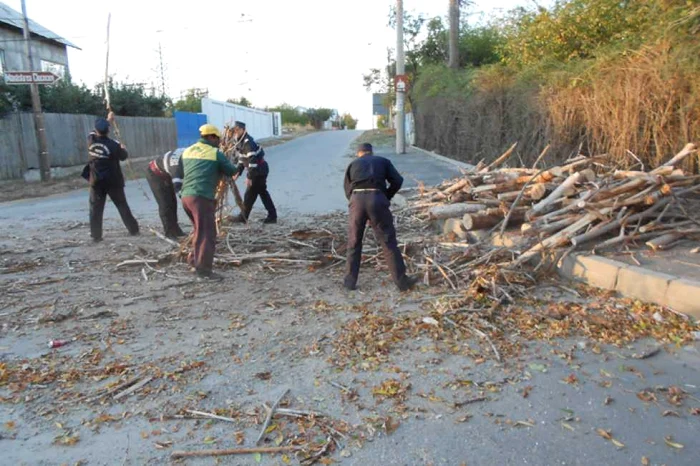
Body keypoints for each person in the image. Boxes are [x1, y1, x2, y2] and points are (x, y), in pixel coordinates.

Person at [343, 143, 417, 291]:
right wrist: (386, 196)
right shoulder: (383, 161)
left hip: (357, 200)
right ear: (371, 152)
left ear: (359, 153)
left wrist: (355, 203)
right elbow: (398, 181)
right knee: (388, 241)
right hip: (377, 198)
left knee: (354, 241)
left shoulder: (353, 164)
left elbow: (347, 188)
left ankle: (349, 283)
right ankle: (402, 282)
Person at [180, 124, 239, 279]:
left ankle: (194, 261)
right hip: (201, 198)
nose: (219, 142)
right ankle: (204, 271)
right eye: (217, 139)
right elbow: (232, 171)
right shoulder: (215, 153)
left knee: (199, 230)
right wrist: (238, 163)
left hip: (186, 197)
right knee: (207, 233)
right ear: (211, 137)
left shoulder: (187, 150)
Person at [84, 117, 139, 242]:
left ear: (96, 130)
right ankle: (133, 230)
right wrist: (123, 148)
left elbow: (93, 131)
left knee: (95, 208)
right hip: (113, 181)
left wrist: (107, 119)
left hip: (96, 181)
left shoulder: (90, 140)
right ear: (108, 130)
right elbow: (124, 157)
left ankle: (96, 236)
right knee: (122, 205)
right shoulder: (114, 145)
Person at [231, 121, 277, 224]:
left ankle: (243, 217)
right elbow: (242, 159)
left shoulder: (248, 142)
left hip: (259, 170)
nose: (236, 132)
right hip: (259, 169)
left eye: (238, 129)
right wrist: (238, 172)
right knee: (262, 193)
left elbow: (252, 161)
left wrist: (249, 177)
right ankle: (272, 216)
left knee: (250, 194)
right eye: (235, 130)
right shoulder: (240, 141)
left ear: (243, 130)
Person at [145, 148, 187, 239]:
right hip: (155, 173)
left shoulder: (189, 153)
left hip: (166, 173)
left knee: (172, 202)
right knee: (165, 203)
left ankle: (175, 229)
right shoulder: (176, 165)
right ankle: (169, 232)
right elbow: (178, 186)